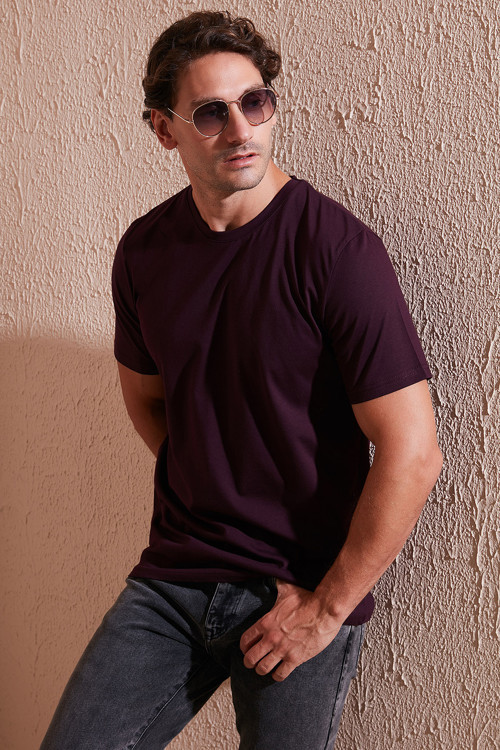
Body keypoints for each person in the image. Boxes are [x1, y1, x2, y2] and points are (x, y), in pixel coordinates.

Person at [40, 10, 442, 750]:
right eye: (210, 113)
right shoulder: (144, 253)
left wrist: (326, 609)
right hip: (175, 580)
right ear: (164, 130)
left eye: (255, 102)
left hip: (299, 589)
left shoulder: (337, 251)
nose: (240, 129)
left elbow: (413, 453)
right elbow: (149, 402)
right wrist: (217, 480)